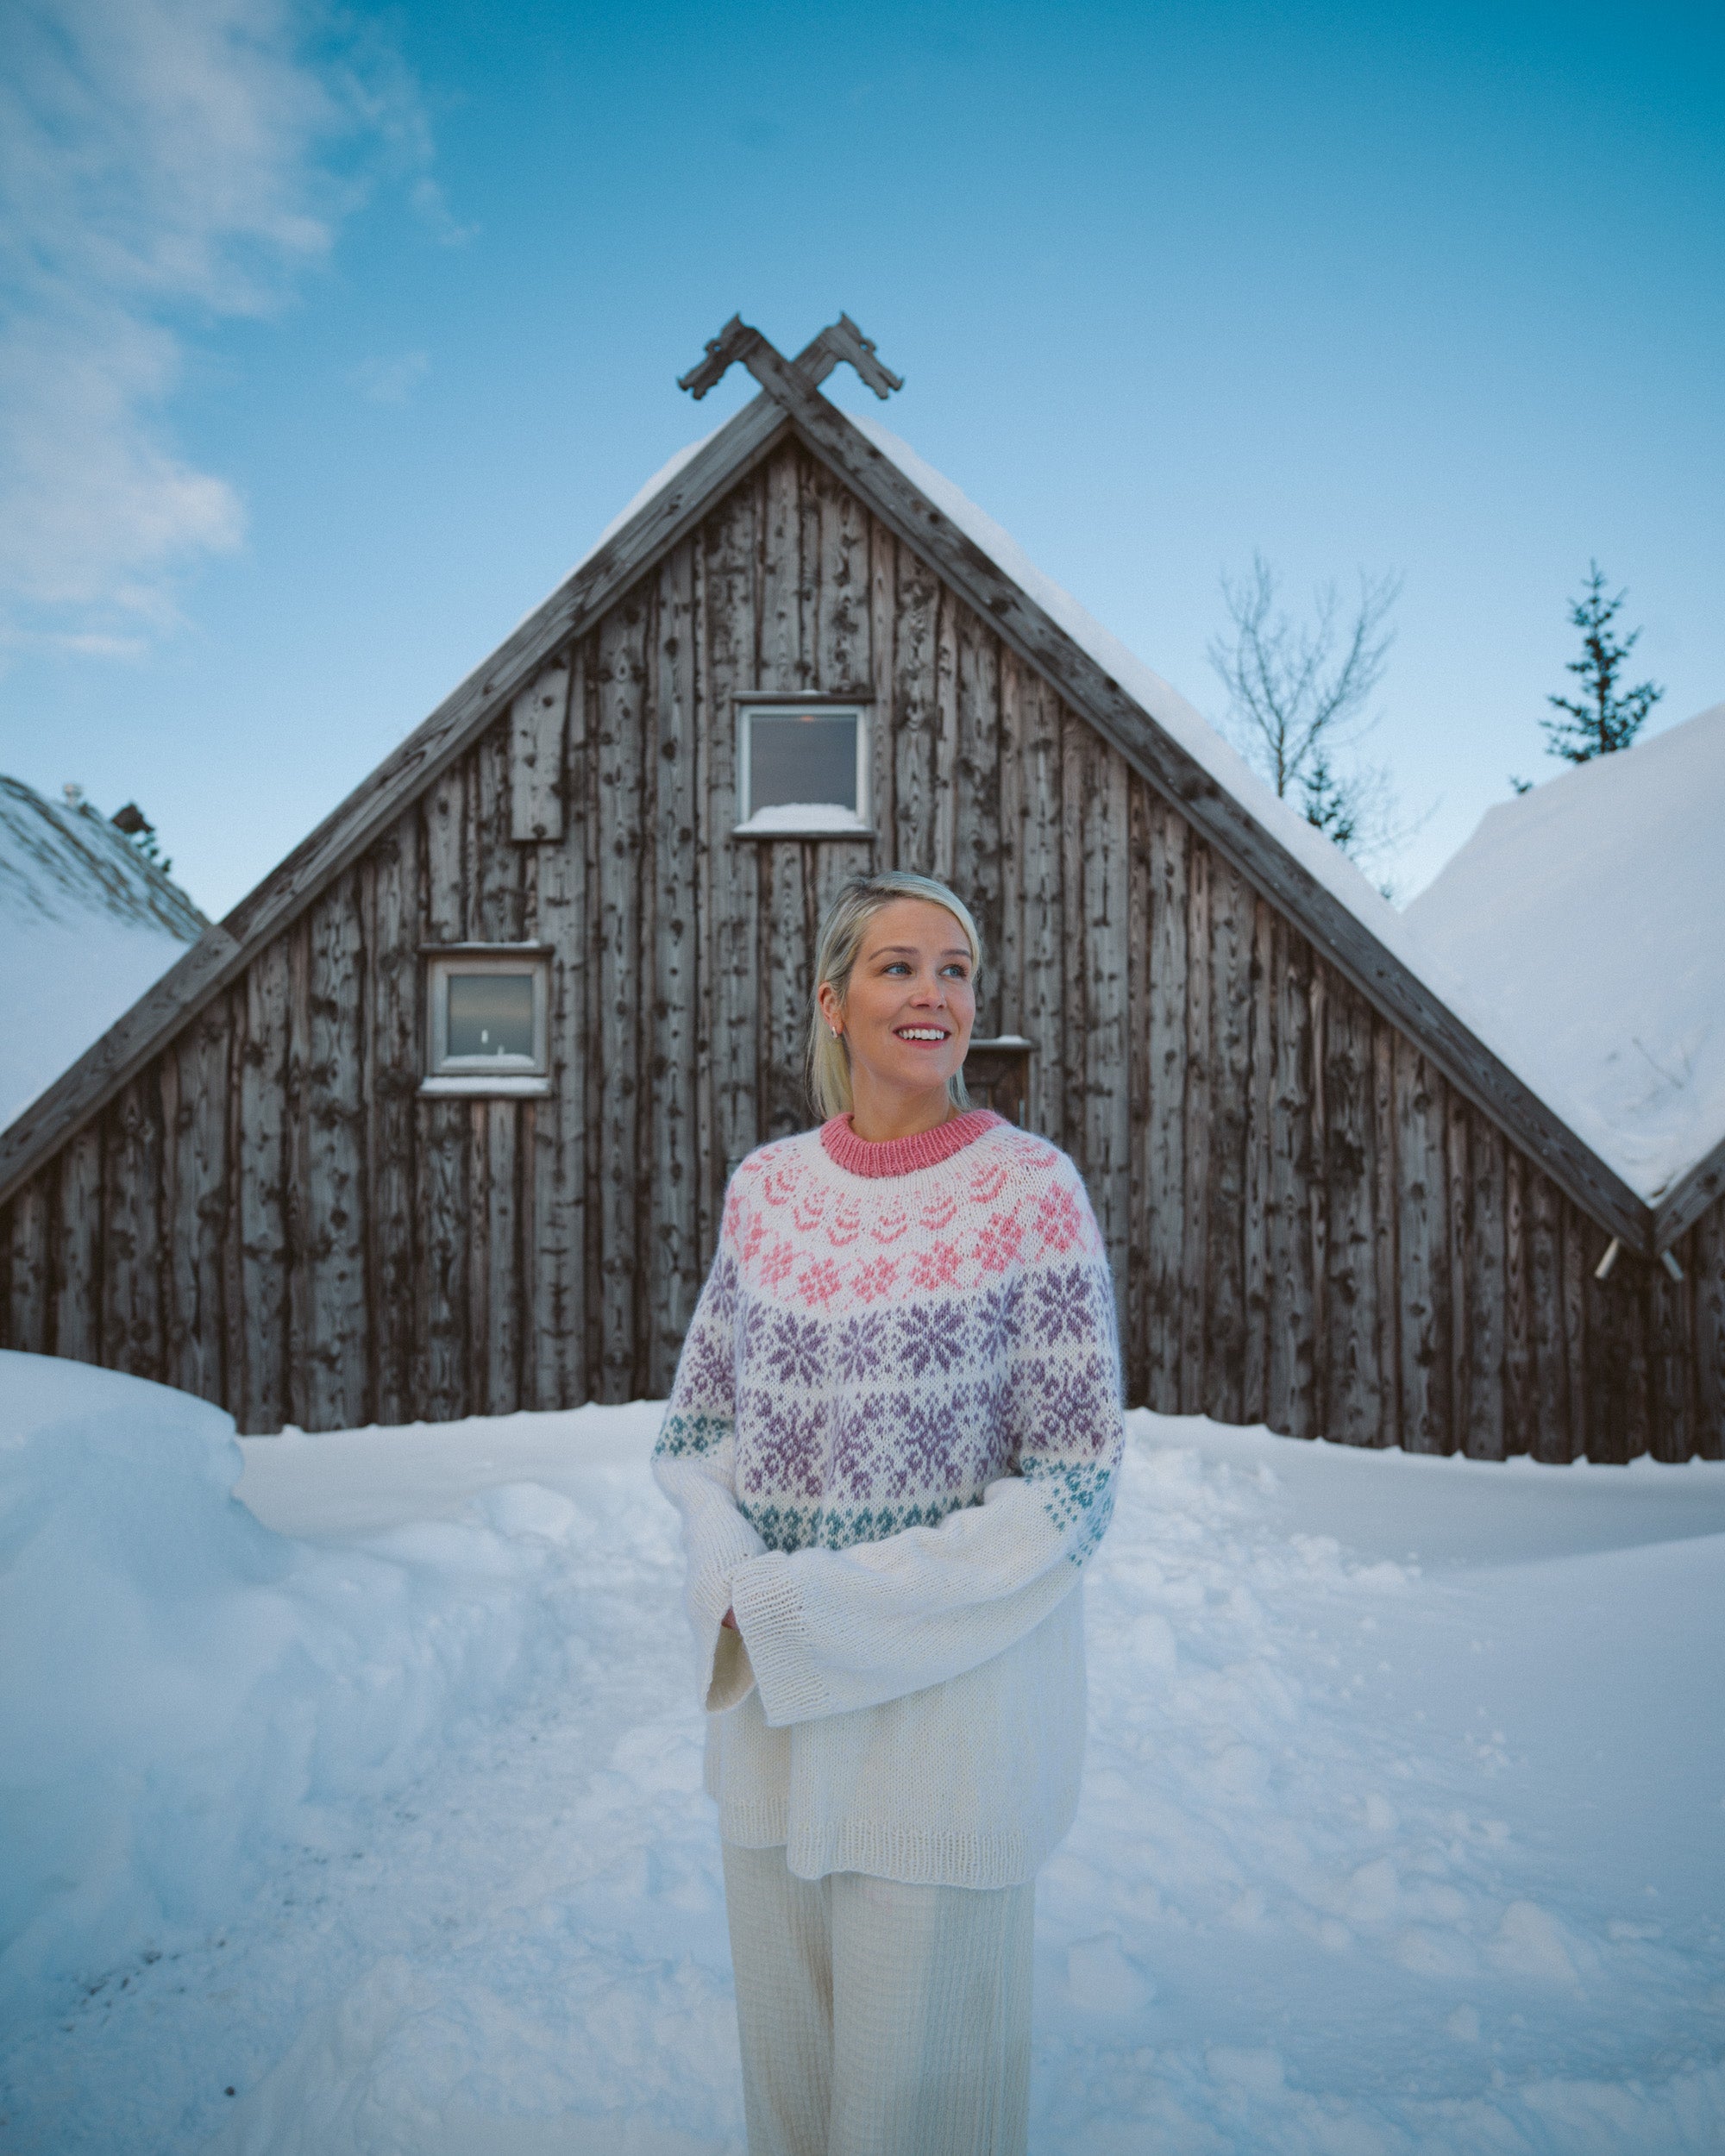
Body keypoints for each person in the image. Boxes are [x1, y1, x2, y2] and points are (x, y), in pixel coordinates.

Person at [652, 868, 1125, 2156]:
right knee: (794, 2103)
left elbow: (1075, 1484)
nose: (934, 992)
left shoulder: (1029, 1193)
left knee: (921, 2111)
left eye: (956, 968)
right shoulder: (767, 1191)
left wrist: (835, 1605)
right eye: (898, 966)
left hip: (946, 1730)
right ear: (833, 1000)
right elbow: (699, 1438)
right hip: (776, 1731)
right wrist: (740, 1589)